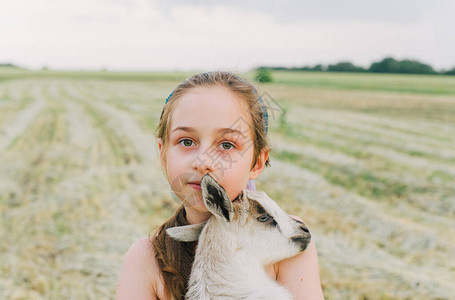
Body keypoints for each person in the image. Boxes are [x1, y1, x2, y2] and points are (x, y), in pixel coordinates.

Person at [116, 71, 324, 300]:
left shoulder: (288, 236)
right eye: (187, 141)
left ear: (257, 162)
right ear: (163, 153)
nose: (203, 162)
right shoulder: (146, 258)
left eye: (226, 144)